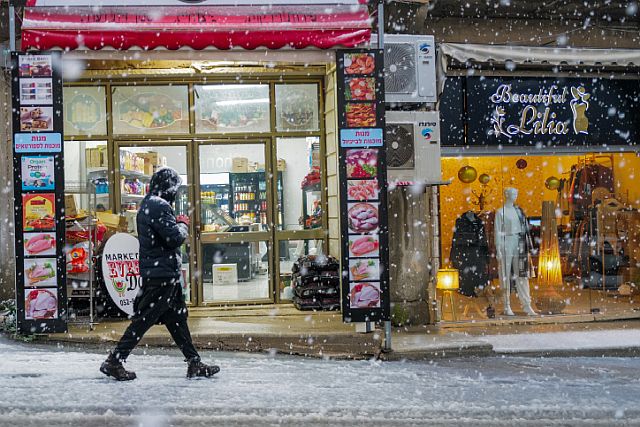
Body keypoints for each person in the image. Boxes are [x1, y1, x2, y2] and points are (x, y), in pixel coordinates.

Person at [100, 167, 220, 381]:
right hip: (161, 275)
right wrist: (183, 224)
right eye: (175, 188)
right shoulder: (158, 206)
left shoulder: (150, 203)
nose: (176, 192)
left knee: (177, 320)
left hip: (163, 273)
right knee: (143, 320)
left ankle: (194, 363)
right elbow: (174, 238)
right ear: (168, 188)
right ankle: (114, 361)